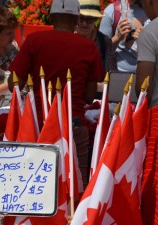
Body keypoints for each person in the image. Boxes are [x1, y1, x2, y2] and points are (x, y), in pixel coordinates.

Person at [10, 0, 104, 186]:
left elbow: (13, 83)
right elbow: (89, 95)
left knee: (35, 185)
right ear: (76, 19)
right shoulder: (89, 47)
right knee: (74, 189)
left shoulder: (34, 41)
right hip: (73, 125)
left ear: (51, 17)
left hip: (38, 126)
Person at [99, 0, 148, 73]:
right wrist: (118, 37)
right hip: (117, 73)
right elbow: (101, 50)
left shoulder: (150, 11)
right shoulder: (112, 11)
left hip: (143, 73)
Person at [77, 0, 117, 73]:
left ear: (95, 19)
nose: (84, 23)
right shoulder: (68, 39)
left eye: (89, 19)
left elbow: (110, 72)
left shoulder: (104, 41)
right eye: (80, 18)